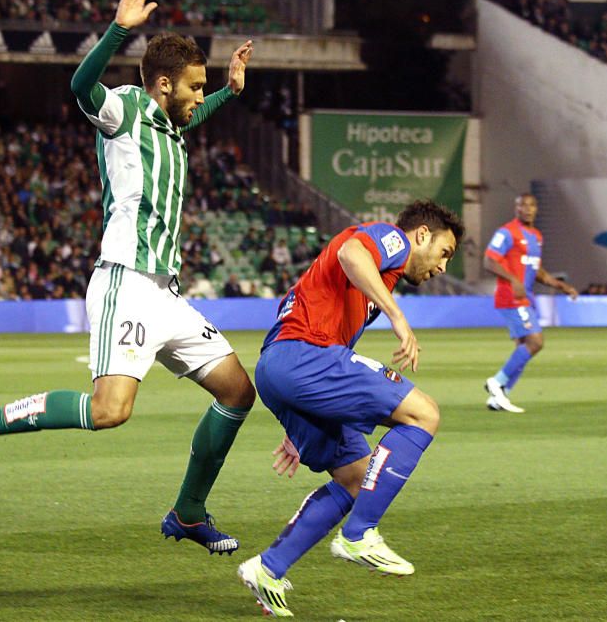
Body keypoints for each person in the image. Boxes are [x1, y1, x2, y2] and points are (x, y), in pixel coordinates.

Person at [0, 0, 257, 555]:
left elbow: (192, 116)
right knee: (110, 411)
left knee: (236, 391)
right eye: (194, 87)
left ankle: (187, 513)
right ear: (162, 85)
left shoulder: (175, 125)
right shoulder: (127, 109)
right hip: (125, 284)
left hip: (167, 294)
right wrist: (116, 32)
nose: (198, 95)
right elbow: (81, 87)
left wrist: (228, 93)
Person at [237, 201, 463, 617]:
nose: (442, 268)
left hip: (283, 369)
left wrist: (298, 416)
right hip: (303, 356)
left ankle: (268, 569)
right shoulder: (389, 240)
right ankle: (359, 534)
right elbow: (350, 252)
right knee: (424, 413)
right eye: (445, 253)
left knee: (357, 477)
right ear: (423, 236)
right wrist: (398, 316)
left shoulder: (371, 289)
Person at [483, 193, 578, 413]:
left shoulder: (536, 235)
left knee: (523, 349)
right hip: (511, 297)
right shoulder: (507, 232)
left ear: (536, 209)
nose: (526, 209)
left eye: (530, 205)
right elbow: (489, 260)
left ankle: (500, 397)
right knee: (535, 341)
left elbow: (536, 270)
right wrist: (513, 279)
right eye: (521, 205)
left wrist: (560, 286)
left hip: (525, 297)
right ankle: (497, 382)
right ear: (516, 208)